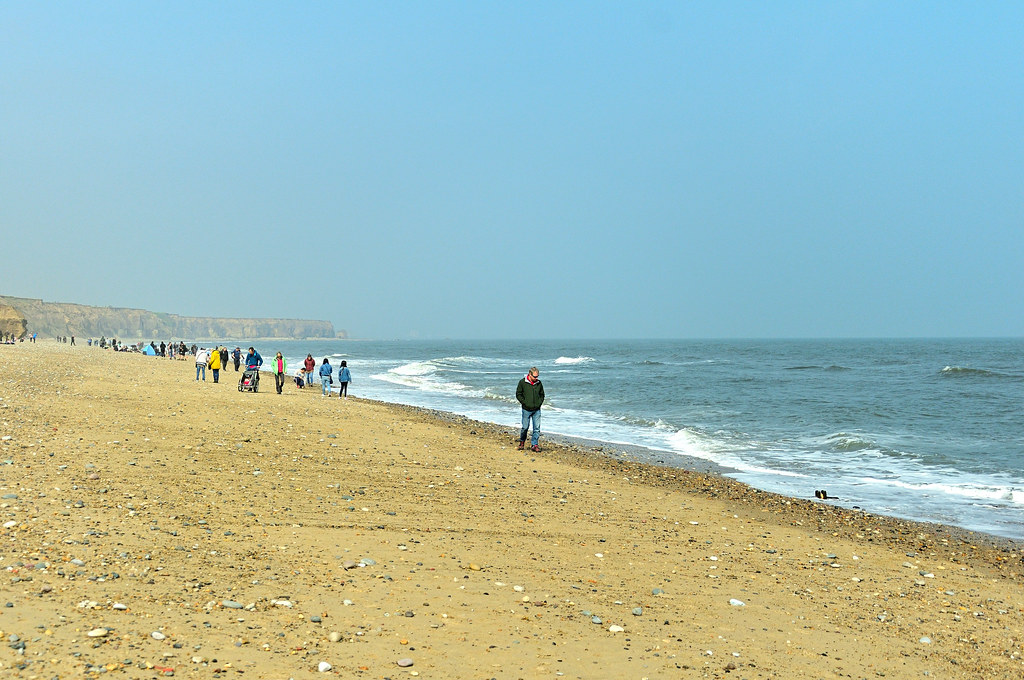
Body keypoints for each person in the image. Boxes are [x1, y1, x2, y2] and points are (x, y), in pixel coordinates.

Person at [516, 367, 545, 452]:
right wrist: (524, 402)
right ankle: (522, 442)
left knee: (536, 428)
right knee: (525, 427)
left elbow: (542, 395)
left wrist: (539, 403)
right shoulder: (522, 382)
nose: (536, 378)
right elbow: (518, 394)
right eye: (535, 377)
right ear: (530, 374)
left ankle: (534, 445)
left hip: (537, 409)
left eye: (537, 376)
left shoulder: (539, 383)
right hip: (526, 409)